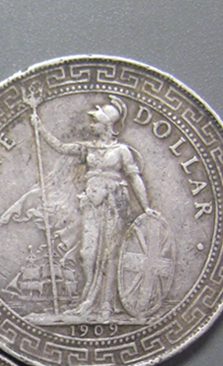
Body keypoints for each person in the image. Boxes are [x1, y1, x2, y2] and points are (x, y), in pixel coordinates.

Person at [32, 96, 158, 321]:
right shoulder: (87, 148)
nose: (91, 125)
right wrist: (39, 127)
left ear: (107, 125)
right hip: (91, 203)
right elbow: (60, 147)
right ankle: (88, 301)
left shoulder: (121, 151)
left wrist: (146, 206)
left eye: (95, 121)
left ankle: (106, 304)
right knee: (87, 254)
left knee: (109, 254)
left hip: (115, 203)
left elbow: (134, 177)